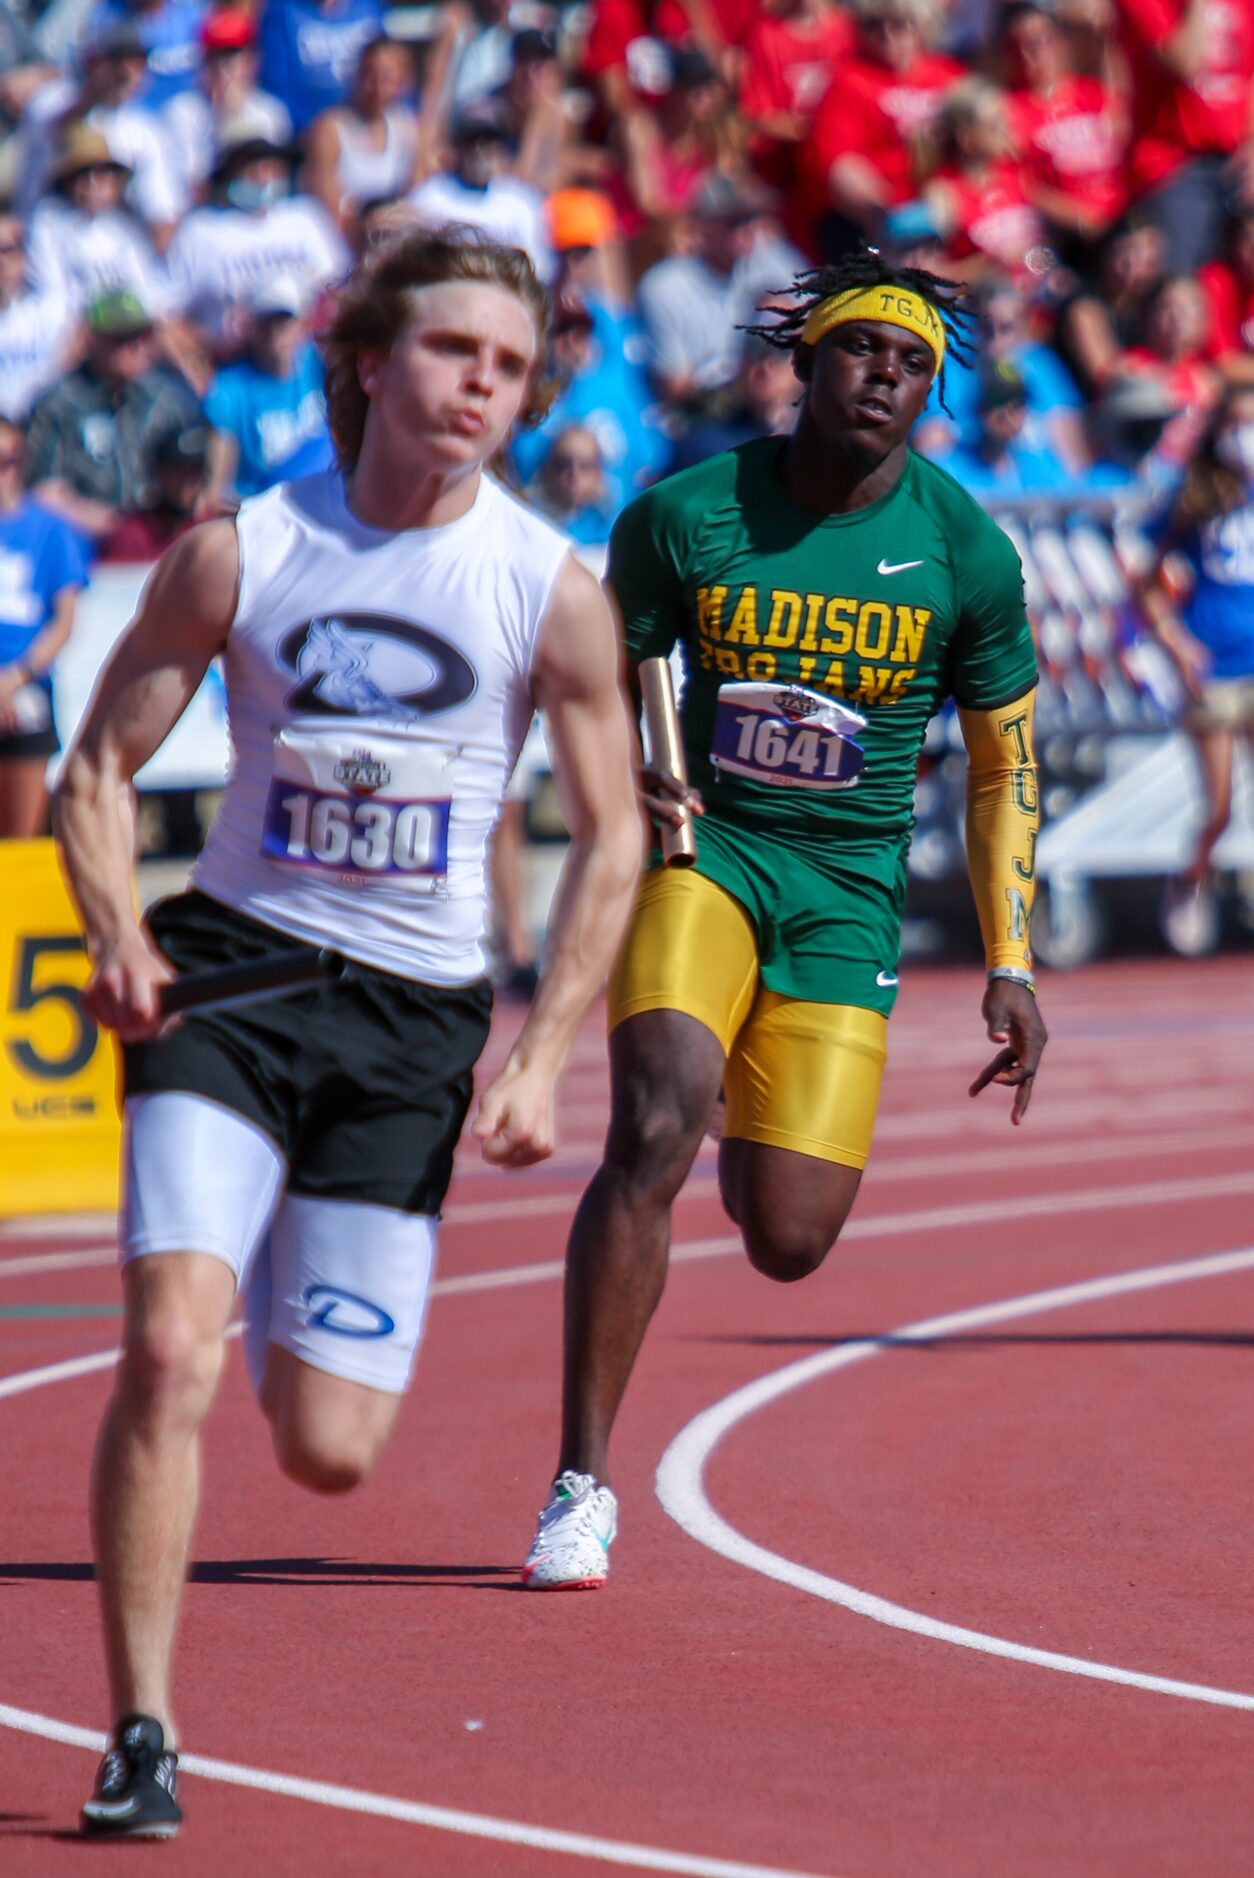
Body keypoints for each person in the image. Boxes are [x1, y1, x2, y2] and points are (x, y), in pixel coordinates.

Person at [53, 228, 641, 1837]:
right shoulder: (240, 551)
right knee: (166, 1350)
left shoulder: (544, 587)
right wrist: (116, 935)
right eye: (454, 350)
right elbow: (94, 773)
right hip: (233, 982)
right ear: (372, 359)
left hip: (410, 1021)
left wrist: (537, 1053)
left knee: (327, 1450)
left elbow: (615, 834)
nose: (480, 387)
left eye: (509, 367)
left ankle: (264, 1273)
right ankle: (140, 1733)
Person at [520, 251, 1048, 1590]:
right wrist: (627, 765)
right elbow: (603, 668)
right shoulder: (686, 512)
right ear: (801, 361)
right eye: (861, 349)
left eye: (911, 361)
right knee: (651, 1121)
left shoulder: (965, 550)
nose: (884, 376)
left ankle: (736, 1101)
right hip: (708, 853)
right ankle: (579, 1483)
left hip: (844, 889)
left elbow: (1002, 766)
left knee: (789, 1237)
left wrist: (1009, 956)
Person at [1134, 386, 1254, 953]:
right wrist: (1176, 644)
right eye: (1236, 425)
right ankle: (1192, 880)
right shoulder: (1199, 496)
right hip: (1215, 665)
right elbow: (1147, 582)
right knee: (1222, 804)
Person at [25, 285, 202, 546]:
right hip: (90, 545)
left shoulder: (168, 399)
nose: (136, 347)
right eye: (122, 338)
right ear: (92, 339)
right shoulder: (59, 405)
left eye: (142, 336)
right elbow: (45, 492)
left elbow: (195, 476)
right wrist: (114, 525)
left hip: (161, 536)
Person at [0, 416, 88, 837]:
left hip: (26, 688)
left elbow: (64, 620)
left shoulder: (49, 528)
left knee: (19, 840)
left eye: (7, 460)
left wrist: (14, 679)